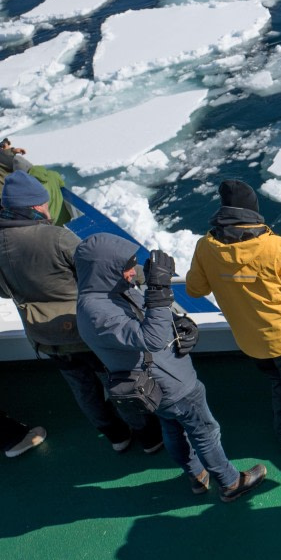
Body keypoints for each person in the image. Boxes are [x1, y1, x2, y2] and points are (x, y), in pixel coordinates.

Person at [75, 233, 267, 502]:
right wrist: (159, 291)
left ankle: (197, 476)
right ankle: (231, 482)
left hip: (158, 385)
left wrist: (180, 323)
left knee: (173, 428)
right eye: (126, 267)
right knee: (205, 430)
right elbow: (151, 339)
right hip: (171, 383)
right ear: (105, 269)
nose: (132, 272)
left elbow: (147, 318)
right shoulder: (97, 312)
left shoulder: (108, 290)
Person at [0, 171, 162, 454]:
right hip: (85, 328)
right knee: (117, 382)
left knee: (82, 388)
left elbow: (3, 290)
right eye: (45, 204)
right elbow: (100, 271)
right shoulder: (56, 237)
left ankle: (116, 436)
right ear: (35, 206)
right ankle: (148, 437)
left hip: (45, 336)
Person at [185, 179, 281, 456]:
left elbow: (195, 289)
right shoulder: (274, 246)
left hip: (249, 340)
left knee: (277, 384)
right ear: (253, 210)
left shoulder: (206, 246)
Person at [0, 140, 68, 224]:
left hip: (48, 224)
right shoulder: (52, 175)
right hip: (65, 218)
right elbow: (62, 184)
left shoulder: (25, 190)